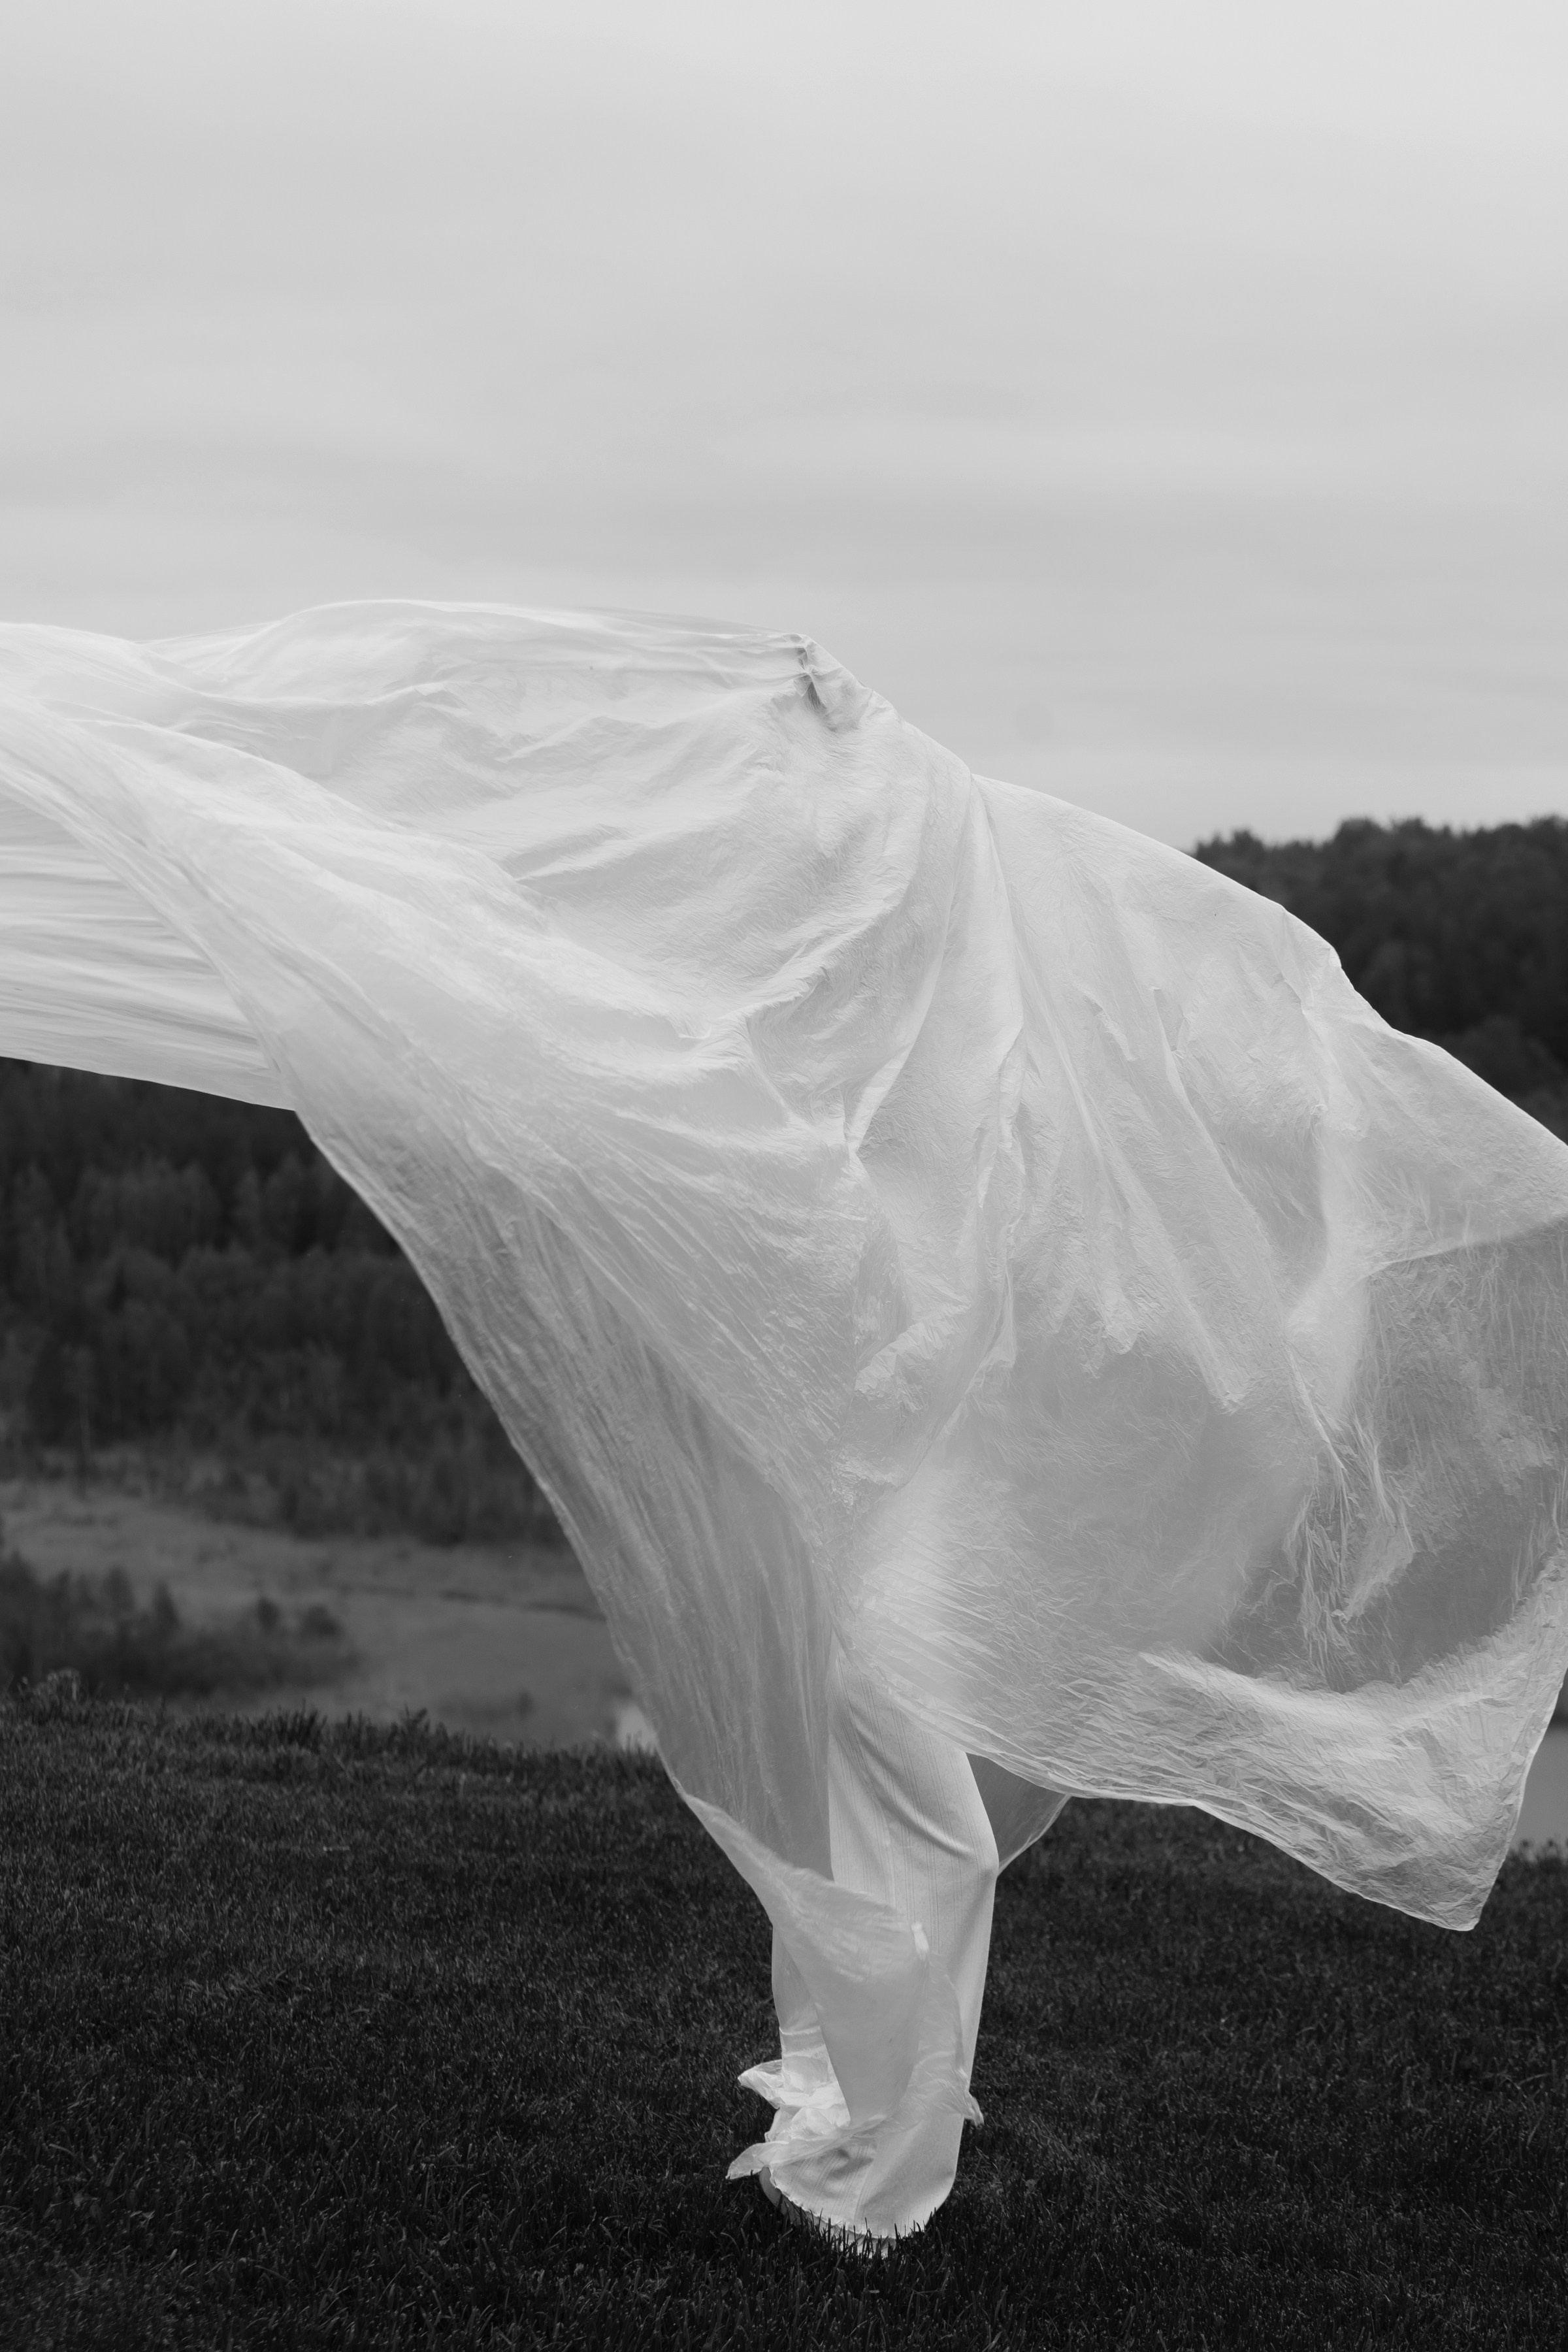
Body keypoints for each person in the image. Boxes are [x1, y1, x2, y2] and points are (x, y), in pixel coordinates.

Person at [3, 601, 1565, 2249]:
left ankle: (878, 2185)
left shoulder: (911, 1054)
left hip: (899, 1503)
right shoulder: (813, 1066)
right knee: (857, 1795)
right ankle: (852, 2102)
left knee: (905, 1803)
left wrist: (799, 718)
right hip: (863, 1494)